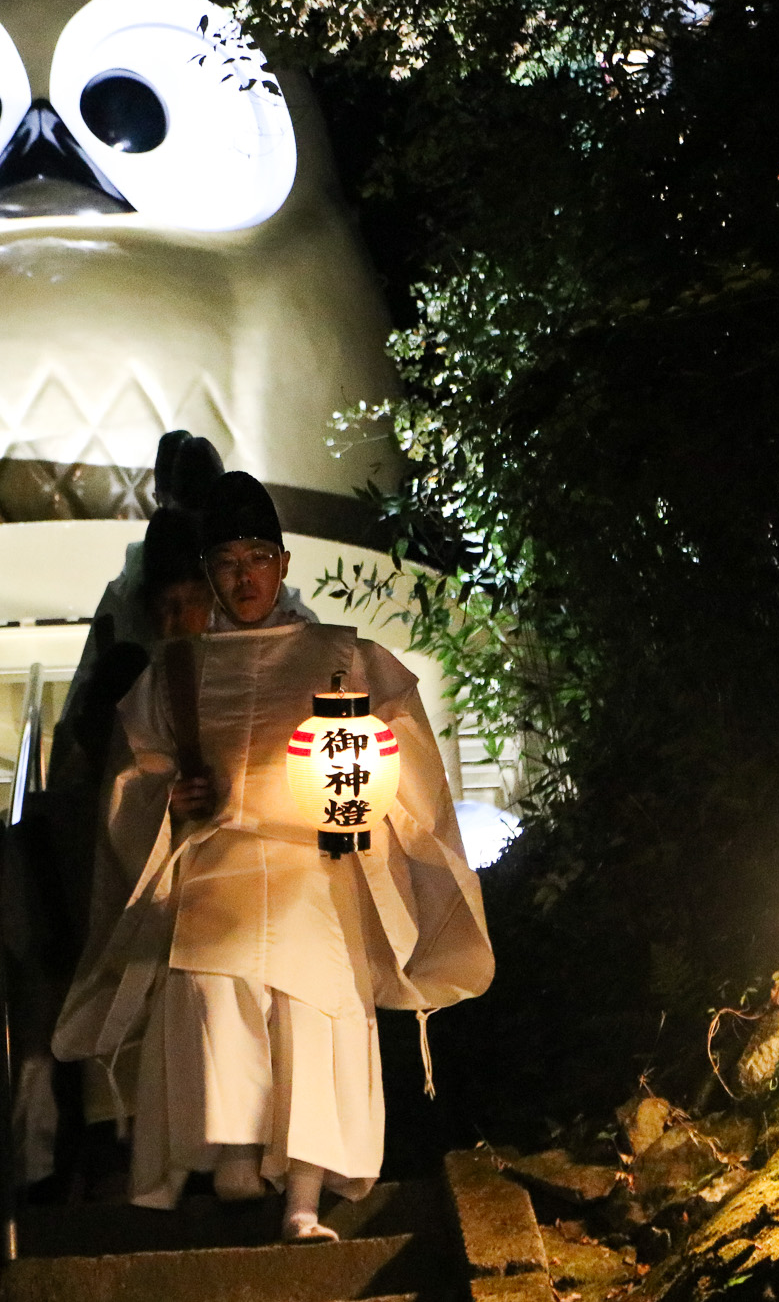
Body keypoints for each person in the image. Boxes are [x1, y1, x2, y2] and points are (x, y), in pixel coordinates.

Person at [53, 472, 493, 1240]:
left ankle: (301, 1195)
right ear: (208, 571)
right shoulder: (175, 671)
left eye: (258, 556)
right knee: (210, 985)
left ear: (283, 565)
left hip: (314, 870)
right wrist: (170, 803)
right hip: (217, 863)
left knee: (311, 1008)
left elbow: (399, 761)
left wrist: (374, 797)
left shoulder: (341, 656)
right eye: (226, 560)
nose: (243, 575)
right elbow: (136, 776)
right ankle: (233, 1153)